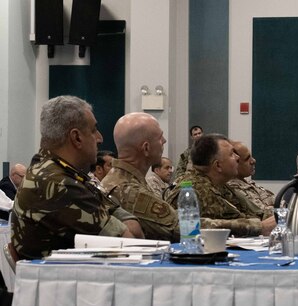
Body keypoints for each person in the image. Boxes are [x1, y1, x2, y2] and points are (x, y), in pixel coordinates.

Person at [11, 95, 143, 260]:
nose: (100, 138)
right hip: (67, 282)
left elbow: (120, 215)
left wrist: (123, 224)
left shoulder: (53, 170)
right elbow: (129, 244)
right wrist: (124, 226)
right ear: (77, 138)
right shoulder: (57, 183)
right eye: (94, 130)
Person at [165, 134, 276, 236]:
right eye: (232, 154)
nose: (237, 158)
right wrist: (259, 227)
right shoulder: (192, 191)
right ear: (218, 165)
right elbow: (182, 229)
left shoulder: (220, 185)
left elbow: (253, 214)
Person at [102, 113, 180, 242]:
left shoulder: (120, 179)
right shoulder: (129, 190)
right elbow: (183, 227)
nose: (164, 141)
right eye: (160, 138)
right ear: (146, 148)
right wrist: (225, 225)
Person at [227, 141, 275, 219]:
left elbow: (280, 203)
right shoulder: (232, 189)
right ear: (235, 162)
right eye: (247, 159)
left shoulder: (249, 184)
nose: (253, 161)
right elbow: (262, 214)